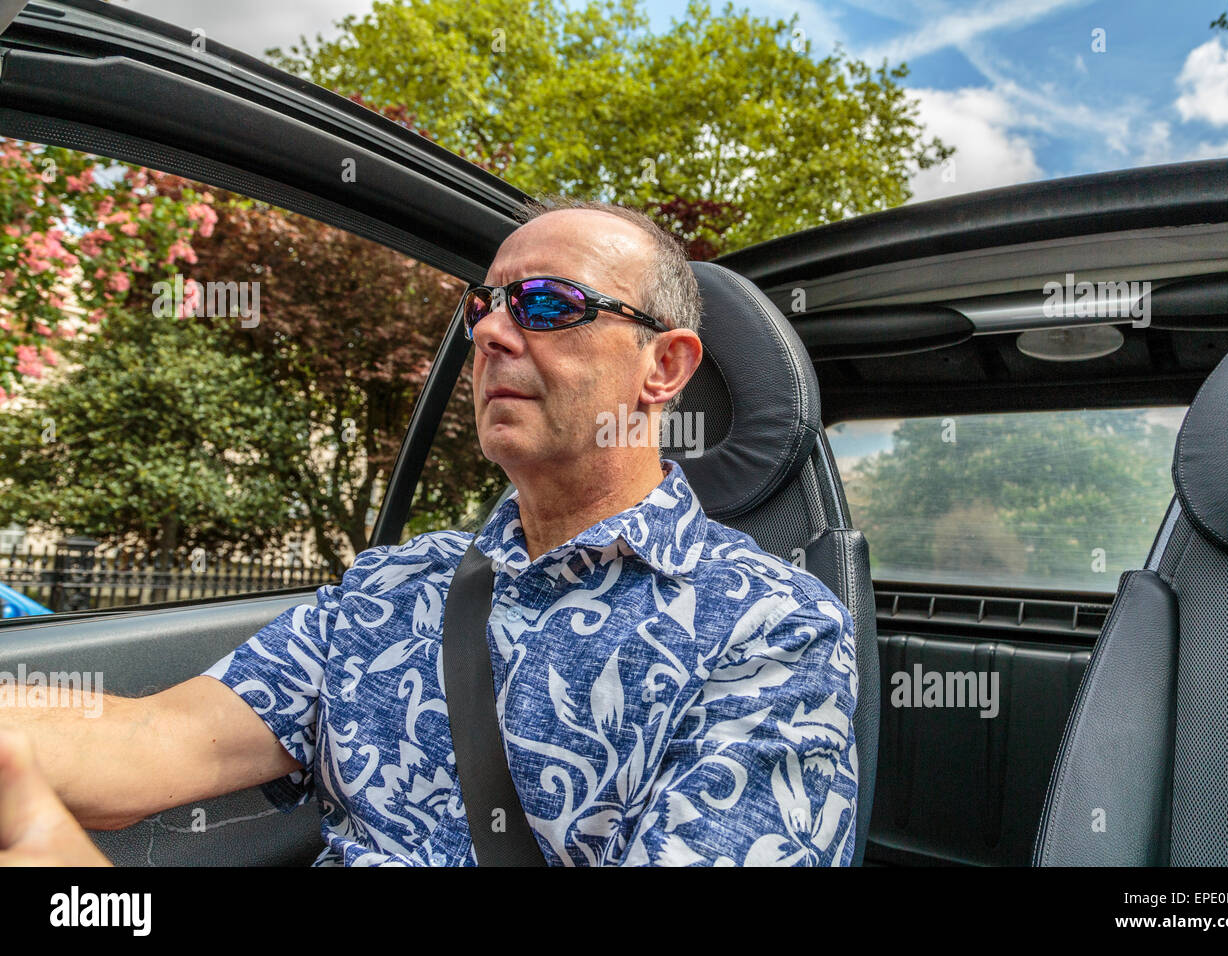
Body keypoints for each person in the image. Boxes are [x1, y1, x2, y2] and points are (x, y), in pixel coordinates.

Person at [0, 198, 859, 866]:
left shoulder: (769, 629)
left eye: (547, 304)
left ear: (663, 367)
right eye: (482, 305)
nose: (487, 332)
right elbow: (156, 741)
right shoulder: (391, 588)